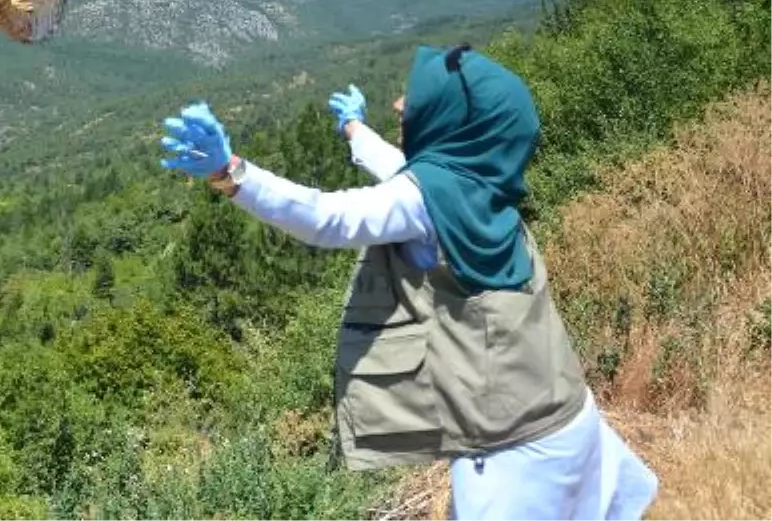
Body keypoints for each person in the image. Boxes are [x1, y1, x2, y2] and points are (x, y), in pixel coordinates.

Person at [159, 44, 659, 520]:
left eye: (416, 99)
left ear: (452, 119)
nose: (400, 103)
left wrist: (232, 174)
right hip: (567, 416)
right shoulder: (483, 178)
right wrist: (355, 128)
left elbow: (329, 218)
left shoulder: (428, 200)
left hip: (513, 451)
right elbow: (405, 174)